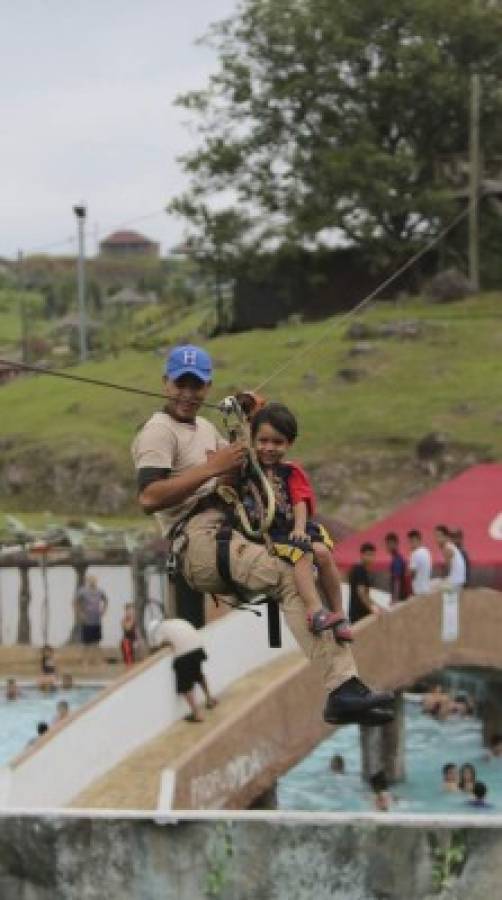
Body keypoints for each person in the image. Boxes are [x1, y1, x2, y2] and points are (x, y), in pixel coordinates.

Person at [132, 344, 394, 727]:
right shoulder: (158, 431)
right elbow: (149, 497)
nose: (188, 393)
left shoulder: (203, 427)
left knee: (311, 560)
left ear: (207, 387)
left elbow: (242, 468)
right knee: (290, 573)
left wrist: (250, 421)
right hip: (198, 539)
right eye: (180, 384)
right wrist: (212, 470)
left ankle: (346, 684)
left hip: (227, 528)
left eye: (197, 385)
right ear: (165, 383)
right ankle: (341, 689)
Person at [249, 402, 352, 642]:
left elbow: (299, 502)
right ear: (253, 440)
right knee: (303, 554)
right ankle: (315, 611)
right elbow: (240, 439)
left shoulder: (291, 472)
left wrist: (298, 528)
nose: (269, 448)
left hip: (295, 528)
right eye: (263, 441)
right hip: (273, 533)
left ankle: (340, 614)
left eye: (277, 442)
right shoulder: (249, 470)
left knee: (323, 554)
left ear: (289, 443)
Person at [147, 617, 218, 722]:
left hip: (185, 653)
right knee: (198, 675)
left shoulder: (159, 629)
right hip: (197, 647)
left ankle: (197, 714)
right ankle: (210, 700)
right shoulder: (175, 622)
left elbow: (156, 646)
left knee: (185, 686)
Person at [75, 574, 108, 667]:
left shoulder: (100, 591)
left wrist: (104, 610)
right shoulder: (83, 591)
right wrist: (80, 614)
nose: (92, 582)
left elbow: (105, 600)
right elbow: (75, 602)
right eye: (91, 580)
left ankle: (100, 661)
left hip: (97, 620)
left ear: (96, 581)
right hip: (87, 620)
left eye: (94, 580)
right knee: (86, 643)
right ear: (88, 581)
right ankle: (84, 661)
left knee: (97, 642)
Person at [348, 543, 382, 624]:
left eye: (372, 555)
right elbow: (361, 593)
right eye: (368, 555)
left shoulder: (361, 570)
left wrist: (378, 606)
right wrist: (372, 608)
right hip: (359, 614)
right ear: (362, 555)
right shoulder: (360, 570)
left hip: (360, 612)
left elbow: (366, 595)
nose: (371, 558)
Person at [432, 526, 466, 591]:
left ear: (446, 537)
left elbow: (448, 569)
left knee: (430, 588)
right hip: (457, 580)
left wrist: (443, 580)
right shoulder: (450, 546)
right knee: (434, 583)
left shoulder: (447, 548)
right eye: (436, 536)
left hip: (455, 582)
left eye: (439, 536)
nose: (437, 539)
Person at [384, 533, 409, 603]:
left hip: (400, 597)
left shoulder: (397, 560)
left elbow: (397, 580)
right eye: (386, 544)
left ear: (395, 544)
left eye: (388, 544)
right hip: (402, 595)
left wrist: (394, 599)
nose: (387, 546)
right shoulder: (398, 558)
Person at [407, 530, 432, 596]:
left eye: (412, 541)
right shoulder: (427, 551)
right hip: (426, 588)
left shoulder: (415, 553)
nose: (411, 544)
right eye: (410, 542)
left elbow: (412, 573)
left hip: (418, 590)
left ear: (419, 540)